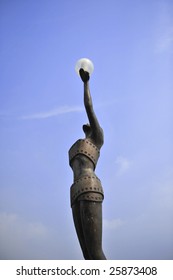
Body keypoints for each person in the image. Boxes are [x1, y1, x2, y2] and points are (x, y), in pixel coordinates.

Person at [69, 68, 106, 260]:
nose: (88, 122)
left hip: (89, 185)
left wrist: (86, 83)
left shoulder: (96, 139)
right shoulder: (78, 143)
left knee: (95, 252)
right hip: (75, 190)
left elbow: (89, 106)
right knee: (86, 255)